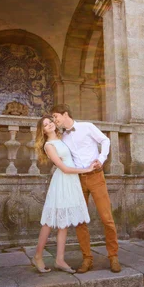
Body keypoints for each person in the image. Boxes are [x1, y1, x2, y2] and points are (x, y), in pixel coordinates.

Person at [51, 104, 121, 273]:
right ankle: (87, 259)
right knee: (80, 221)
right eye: (53, 118)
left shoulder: (87, 127)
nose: (55, 120)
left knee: (107, 218)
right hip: (77, 181)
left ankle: (113, 256)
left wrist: (101, 158)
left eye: (55, 116)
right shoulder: (63, 138)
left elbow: (105, 140)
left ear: (65, 113)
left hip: (96, 176)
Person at [31, 115, 93, 274]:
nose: (49, 125)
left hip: (71, 182)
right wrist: (86, 170)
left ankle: (59, 259)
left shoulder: (61, 139)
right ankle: (38, 256)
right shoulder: (49, 145)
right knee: (49, 221)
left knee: (63, 222)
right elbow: (64, 168)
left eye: (50, 122)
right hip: (62, 182)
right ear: (43, 131)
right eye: (45, 125)